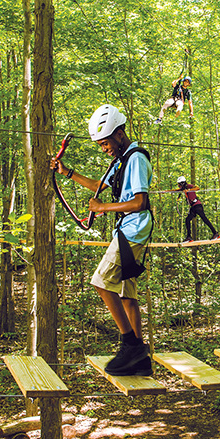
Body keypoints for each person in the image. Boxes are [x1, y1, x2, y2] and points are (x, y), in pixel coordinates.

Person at [51, 104, 154, 376]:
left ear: (119, 133)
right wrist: (67, 173)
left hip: (134, 230)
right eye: (100, 144)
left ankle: (130, 345)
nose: (103, 148)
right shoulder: (120, 161)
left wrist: (103, 208)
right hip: (125, 231)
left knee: (101, 281)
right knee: (126, 295)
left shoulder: (136, 159)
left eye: (105, 142)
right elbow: (99, 186)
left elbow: (140, 202)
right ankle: (141, 360)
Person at [174, 176, 220, 243]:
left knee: (204, 219)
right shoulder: (183, 188)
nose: (178, 186)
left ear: (182, 183)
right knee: (187, 220)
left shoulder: (189, 186)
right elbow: (176, 190)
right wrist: (166, 191)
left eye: (179, 184)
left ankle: (215, 233)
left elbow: (197, 188)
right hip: (193, 207)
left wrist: (188, 190)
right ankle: (189, 237)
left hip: (197, 205)